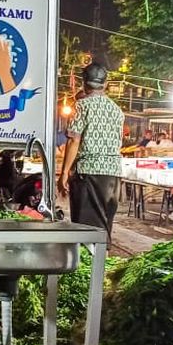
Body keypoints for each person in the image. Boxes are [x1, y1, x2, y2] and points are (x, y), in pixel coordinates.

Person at [57, 63, 124, 236]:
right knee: (104, 226)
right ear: (106, 84)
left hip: (88, 173)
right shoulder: (117, 110)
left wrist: (64, 173)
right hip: (113, 174)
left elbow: (74, 140)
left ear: (84, 82)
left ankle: (89, 261)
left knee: (85, 228)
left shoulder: (81, 106)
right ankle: (102, 260)